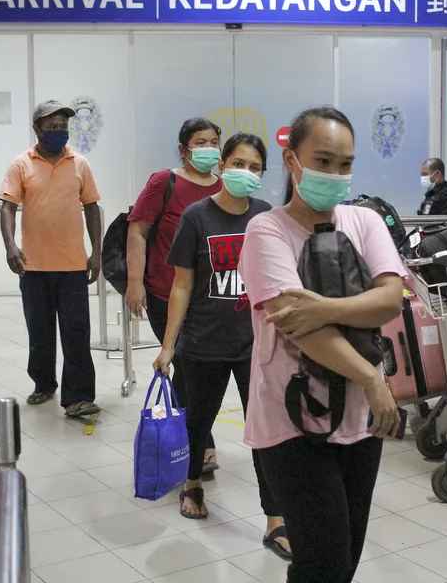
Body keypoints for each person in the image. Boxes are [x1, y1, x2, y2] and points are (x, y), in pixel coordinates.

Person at [238, 106, 406, 583]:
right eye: (324, 160)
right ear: (292, 162)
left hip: (360, 419)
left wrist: (327, 307)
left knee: (345, 558)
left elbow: (391, 299)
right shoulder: (267, 230)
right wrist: (372, 376)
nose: (335, 174)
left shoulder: (365, 222)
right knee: (322, 562)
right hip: (291, 421)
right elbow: (300, 328)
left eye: (345, 163)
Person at [151, 133, 291, 560]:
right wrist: (168, 346)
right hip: (203, 343)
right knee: (199, 422)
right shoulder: (196, 216)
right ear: (222, 166)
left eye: (254, 166)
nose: (245, 172)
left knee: (267, 432)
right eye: (238, 163)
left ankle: (275, 518)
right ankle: (192, 483)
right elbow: (182, 284)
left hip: (255, 345)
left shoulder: (266, 216)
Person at [125, 118, 222, 473]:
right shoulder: (163, 182)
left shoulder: (225, 186)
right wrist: (134, 282)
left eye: (214, 141)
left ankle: (192, 443)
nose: (209, 148)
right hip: (167, 292)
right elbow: (138, 230)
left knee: (196, 370)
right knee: (187, 369)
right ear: (183, 149)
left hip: (209, 299)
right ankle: (199, 446)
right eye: (201, 142)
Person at [0, 100, 102, 417]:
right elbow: (7, 207)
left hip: (73, 266)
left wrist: (96, 252)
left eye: (62, 126)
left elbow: (92, 207)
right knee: (40, 332)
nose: (58, 131)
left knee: (76, 333)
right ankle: (43, 385)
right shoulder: (21, 164)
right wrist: (10, 246)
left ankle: (78, 396)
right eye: (51, 126)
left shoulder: (80, 164)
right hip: (34, 267)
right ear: (37, 129)